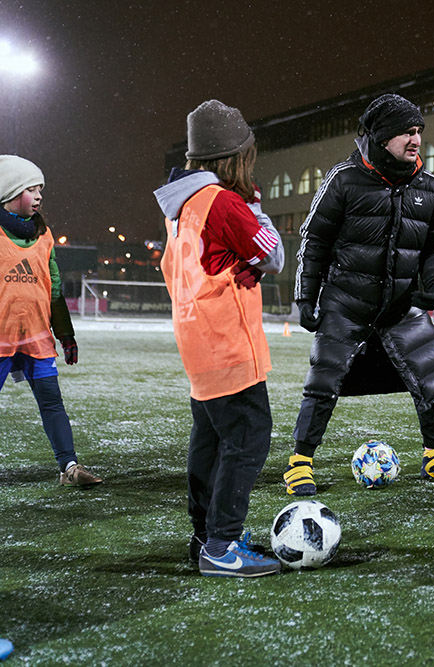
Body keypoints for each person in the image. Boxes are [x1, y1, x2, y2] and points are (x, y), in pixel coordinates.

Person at [288, 93, 434, 497]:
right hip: (346, 303)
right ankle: (300, 463)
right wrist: (306, 297)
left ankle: (433, 457)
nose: (416, 139)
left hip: (402, 307)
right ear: (383, 137)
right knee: (323, 380)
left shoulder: (430, 188)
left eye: (418, 131)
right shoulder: (343, 180)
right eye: (407, 132)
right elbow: (314, 241)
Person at [155, 100, 285, 578]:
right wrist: (255, 207)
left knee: (209, 441)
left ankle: (204, 535)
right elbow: (273, 256)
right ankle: (222, 545)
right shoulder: (225, 202)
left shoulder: (180, 206)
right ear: (234, 156)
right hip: (229, 340)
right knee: (248, 440)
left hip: (196, 340)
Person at [0, 155, 100, 488]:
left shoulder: (44, 235)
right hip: (0, 339)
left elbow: (53, 290)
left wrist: (66, 335)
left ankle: (69, 467)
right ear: (10, 192)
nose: (39, 196)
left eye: (41, 189)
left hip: (38, 339)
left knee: (52, 402)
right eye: (31, 188)